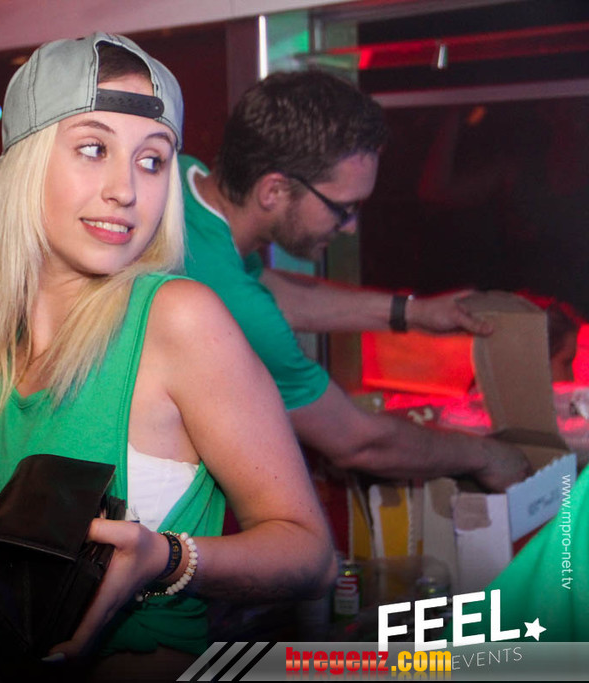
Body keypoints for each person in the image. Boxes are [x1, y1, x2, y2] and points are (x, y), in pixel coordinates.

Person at [0, 33, 335, 676]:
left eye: (152, 161)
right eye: (94, 149)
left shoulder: (176, 318)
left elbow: (310, 556)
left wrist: (167, 559)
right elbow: (40, 570)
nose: (126, 189)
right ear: (25, 163)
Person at [180, 70, 531, 491]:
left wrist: (412, 313)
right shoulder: (231, 306)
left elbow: (265, 290)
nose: (349, 227)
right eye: (343, 208)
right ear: (273, 191)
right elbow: (358, 443)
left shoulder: (184, 178)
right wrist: (486, 455)